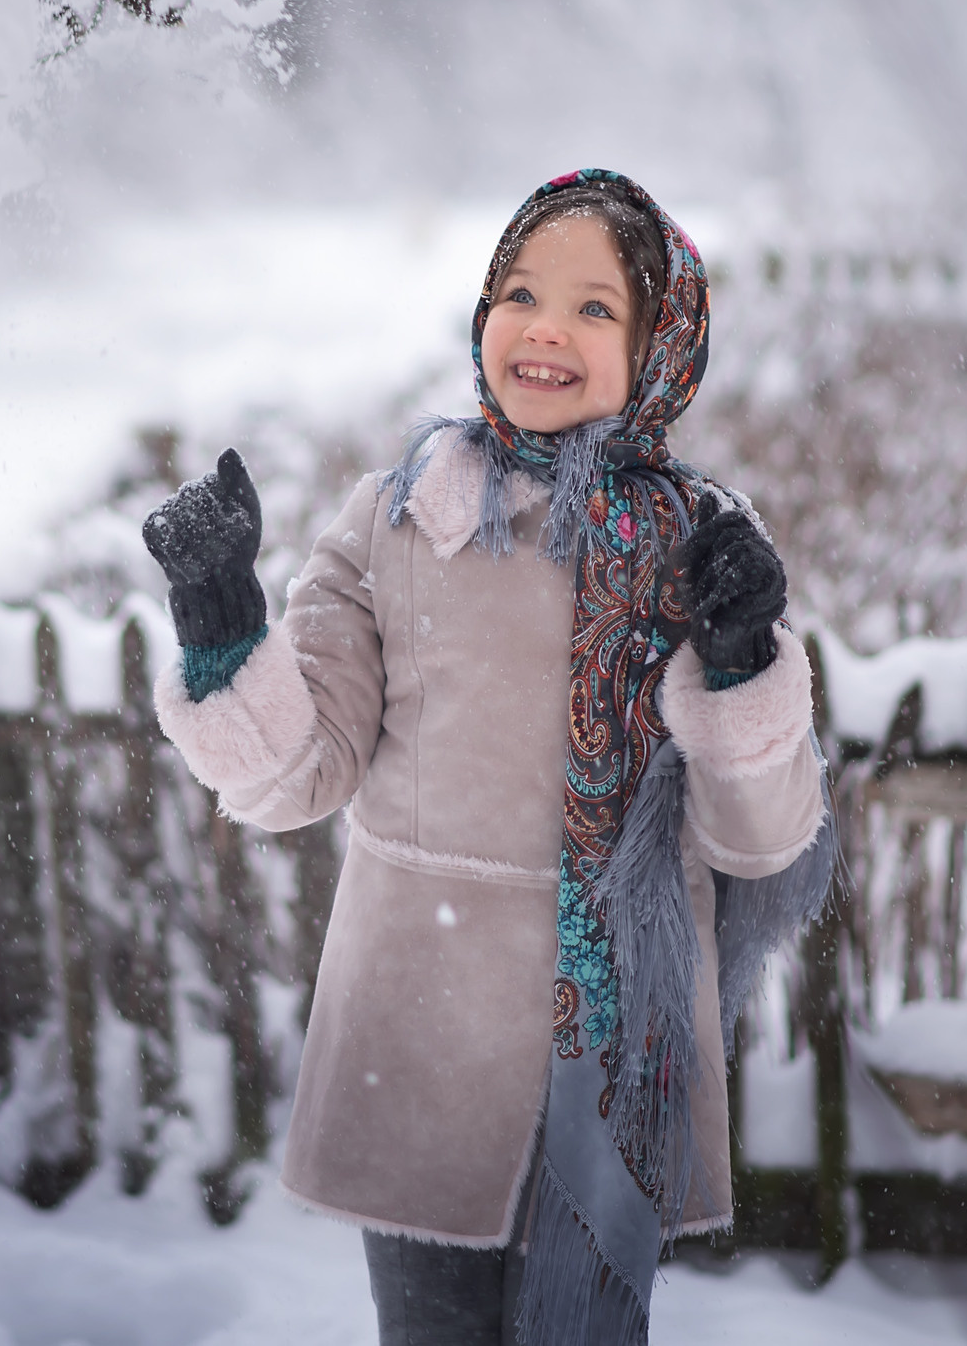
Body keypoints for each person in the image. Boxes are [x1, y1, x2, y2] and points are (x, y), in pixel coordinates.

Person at [141, 170, 832, 1346]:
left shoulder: (708, 549)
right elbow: (294, 771)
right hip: (424, 1036)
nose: (544, 326)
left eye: (595, 307)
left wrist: (739, 659)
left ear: (663, 344)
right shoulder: (403, 517)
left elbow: (759, 837)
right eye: (517, 290)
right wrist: (221, 630)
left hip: (611, 1049)